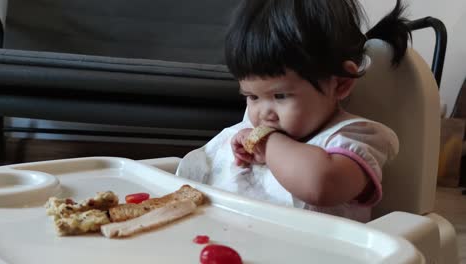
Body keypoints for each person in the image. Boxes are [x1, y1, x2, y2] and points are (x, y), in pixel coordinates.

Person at [176, 0, 411, 222]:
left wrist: (268, 145)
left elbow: (320, 185)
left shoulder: (354, 138)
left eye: (280, 96)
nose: (263, 113)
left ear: (340, 83)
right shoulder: (253, 126)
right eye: (252, 96)